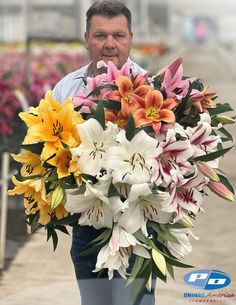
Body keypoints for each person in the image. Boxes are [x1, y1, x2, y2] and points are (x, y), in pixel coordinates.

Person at [53, 1, 155, 305]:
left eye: (118, 35)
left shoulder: (152, 88)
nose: (109, 44)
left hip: (137, 228)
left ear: (131, 38)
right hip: (87, 225)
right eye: (100, 35)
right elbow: (50, 150)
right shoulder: (65, 89)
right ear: (86, 38)